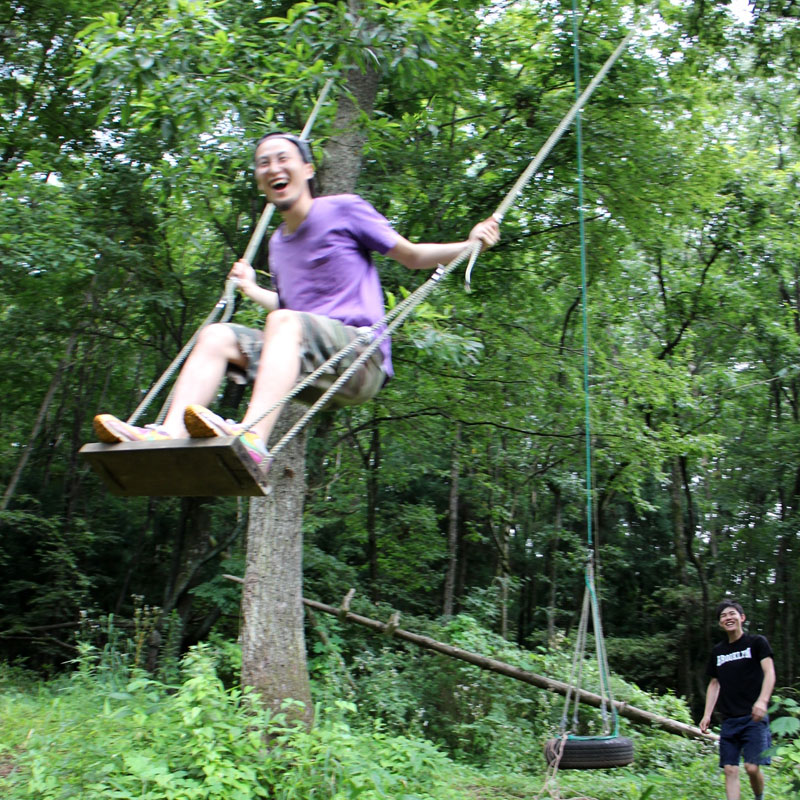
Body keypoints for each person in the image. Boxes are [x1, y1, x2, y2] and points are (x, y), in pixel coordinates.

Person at [93, 131, 500, 467]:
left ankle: (252, 439)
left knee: (285, 324)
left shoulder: (342, 210)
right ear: (259, 180)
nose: (273, 168)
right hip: (309, 361)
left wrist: (467, 244)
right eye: (263, 163)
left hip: (359, 360)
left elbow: (410, 256)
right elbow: (288, 310)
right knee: (217, 336)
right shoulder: (277, 244)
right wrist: (252, 289)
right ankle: (169, 433)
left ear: (307, 169)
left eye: (283, 158)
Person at [700, 599, 776, 800]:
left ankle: (759, 797)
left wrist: (762, 701)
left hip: (754, 719)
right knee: (730, 770)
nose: (728, 617)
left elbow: (769, 673)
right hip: (729, 720)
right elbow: (714, 684)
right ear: (720, 623)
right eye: (723, 616)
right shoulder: (718, 651)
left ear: (742, 618)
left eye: (732, 613)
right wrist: (707, 714)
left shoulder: (757, 643)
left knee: (752, 767)